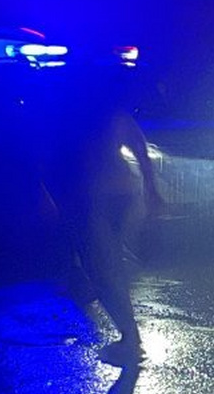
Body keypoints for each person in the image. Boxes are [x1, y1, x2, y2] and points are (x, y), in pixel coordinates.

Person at [39, 61, 163, 366]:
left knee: (103, 268)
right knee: (109, 261)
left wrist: (51, 197)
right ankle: (127, 328)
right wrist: (150, 190)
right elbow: (140, 151)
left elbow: (55, 161)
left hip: (98, 198)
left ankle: (130, 340)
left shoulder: (75, 118)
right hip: (123, 194)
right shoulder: (114, 116)